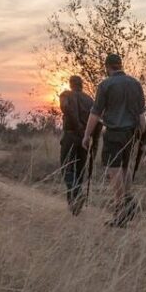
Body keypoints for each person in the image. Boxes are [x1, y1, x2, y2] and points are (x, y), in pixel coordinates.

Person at [83, 53, 146, 228]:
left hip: (114, 132)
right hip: (131, 134)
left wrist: (87, 135)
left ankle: (120, 209)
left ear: (107, 67)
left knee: (113, 170)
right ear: (121, 65)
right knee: (125, 168)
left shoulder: (105, 85)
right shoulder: (135, 84)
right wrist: (144, 137)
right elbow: (142, 114)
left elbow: (95, 112)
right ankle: (128, 198)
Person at [59, 75, 95, 216]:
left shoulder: (65, 94)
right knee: (80, 169)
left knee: (66, 168)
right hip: (85, 138)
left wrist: (77, 125)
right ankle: (74, 204)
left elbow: (65, 107)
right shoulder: (90, 100)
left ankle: (76, 193)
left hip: (70, 135)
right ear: (82, 84)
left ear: (71, 84)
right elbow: (96, 119)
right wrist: (92, 139)